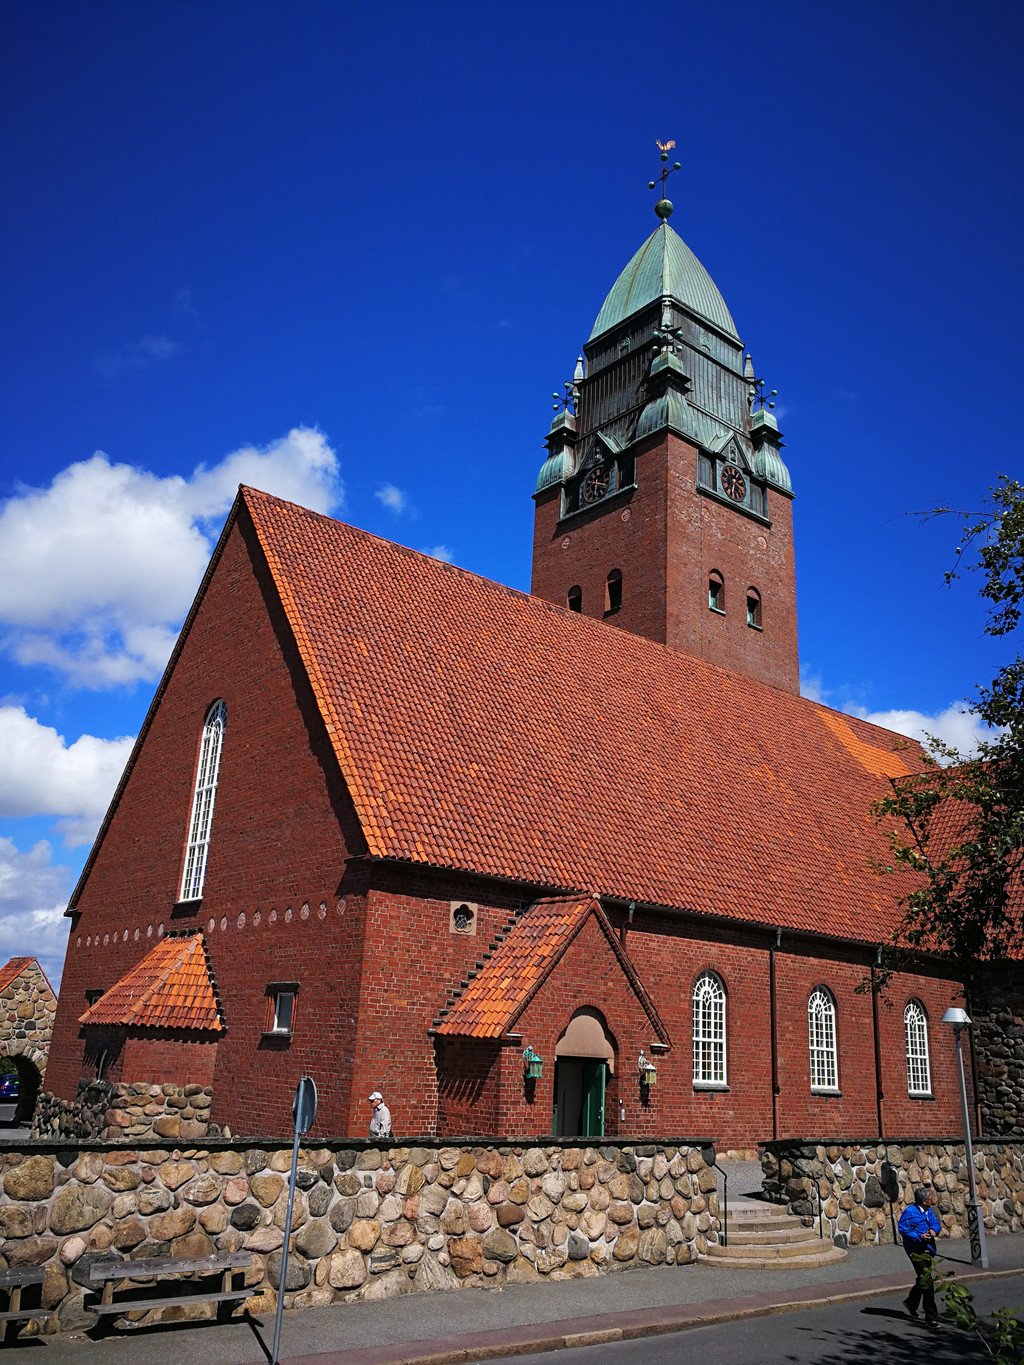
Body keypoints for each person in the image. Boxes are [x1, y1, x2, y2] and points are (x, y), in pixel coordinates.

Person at [898, 1187, 942, 1323]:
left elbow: (935, 1223)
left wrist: (934, 1231)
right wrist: (919, 1236)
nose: (932, 1200)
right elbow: (903, 1229)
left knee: (923, 1279)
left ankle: (911, 1302)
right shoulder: (910, 1212)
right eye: (930, 1199)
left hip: (928, 1249)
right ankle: (931, 1318)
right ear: (924, 1201)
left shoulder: (929, 1211)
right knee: (927, 1283)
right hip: (916, 1251)